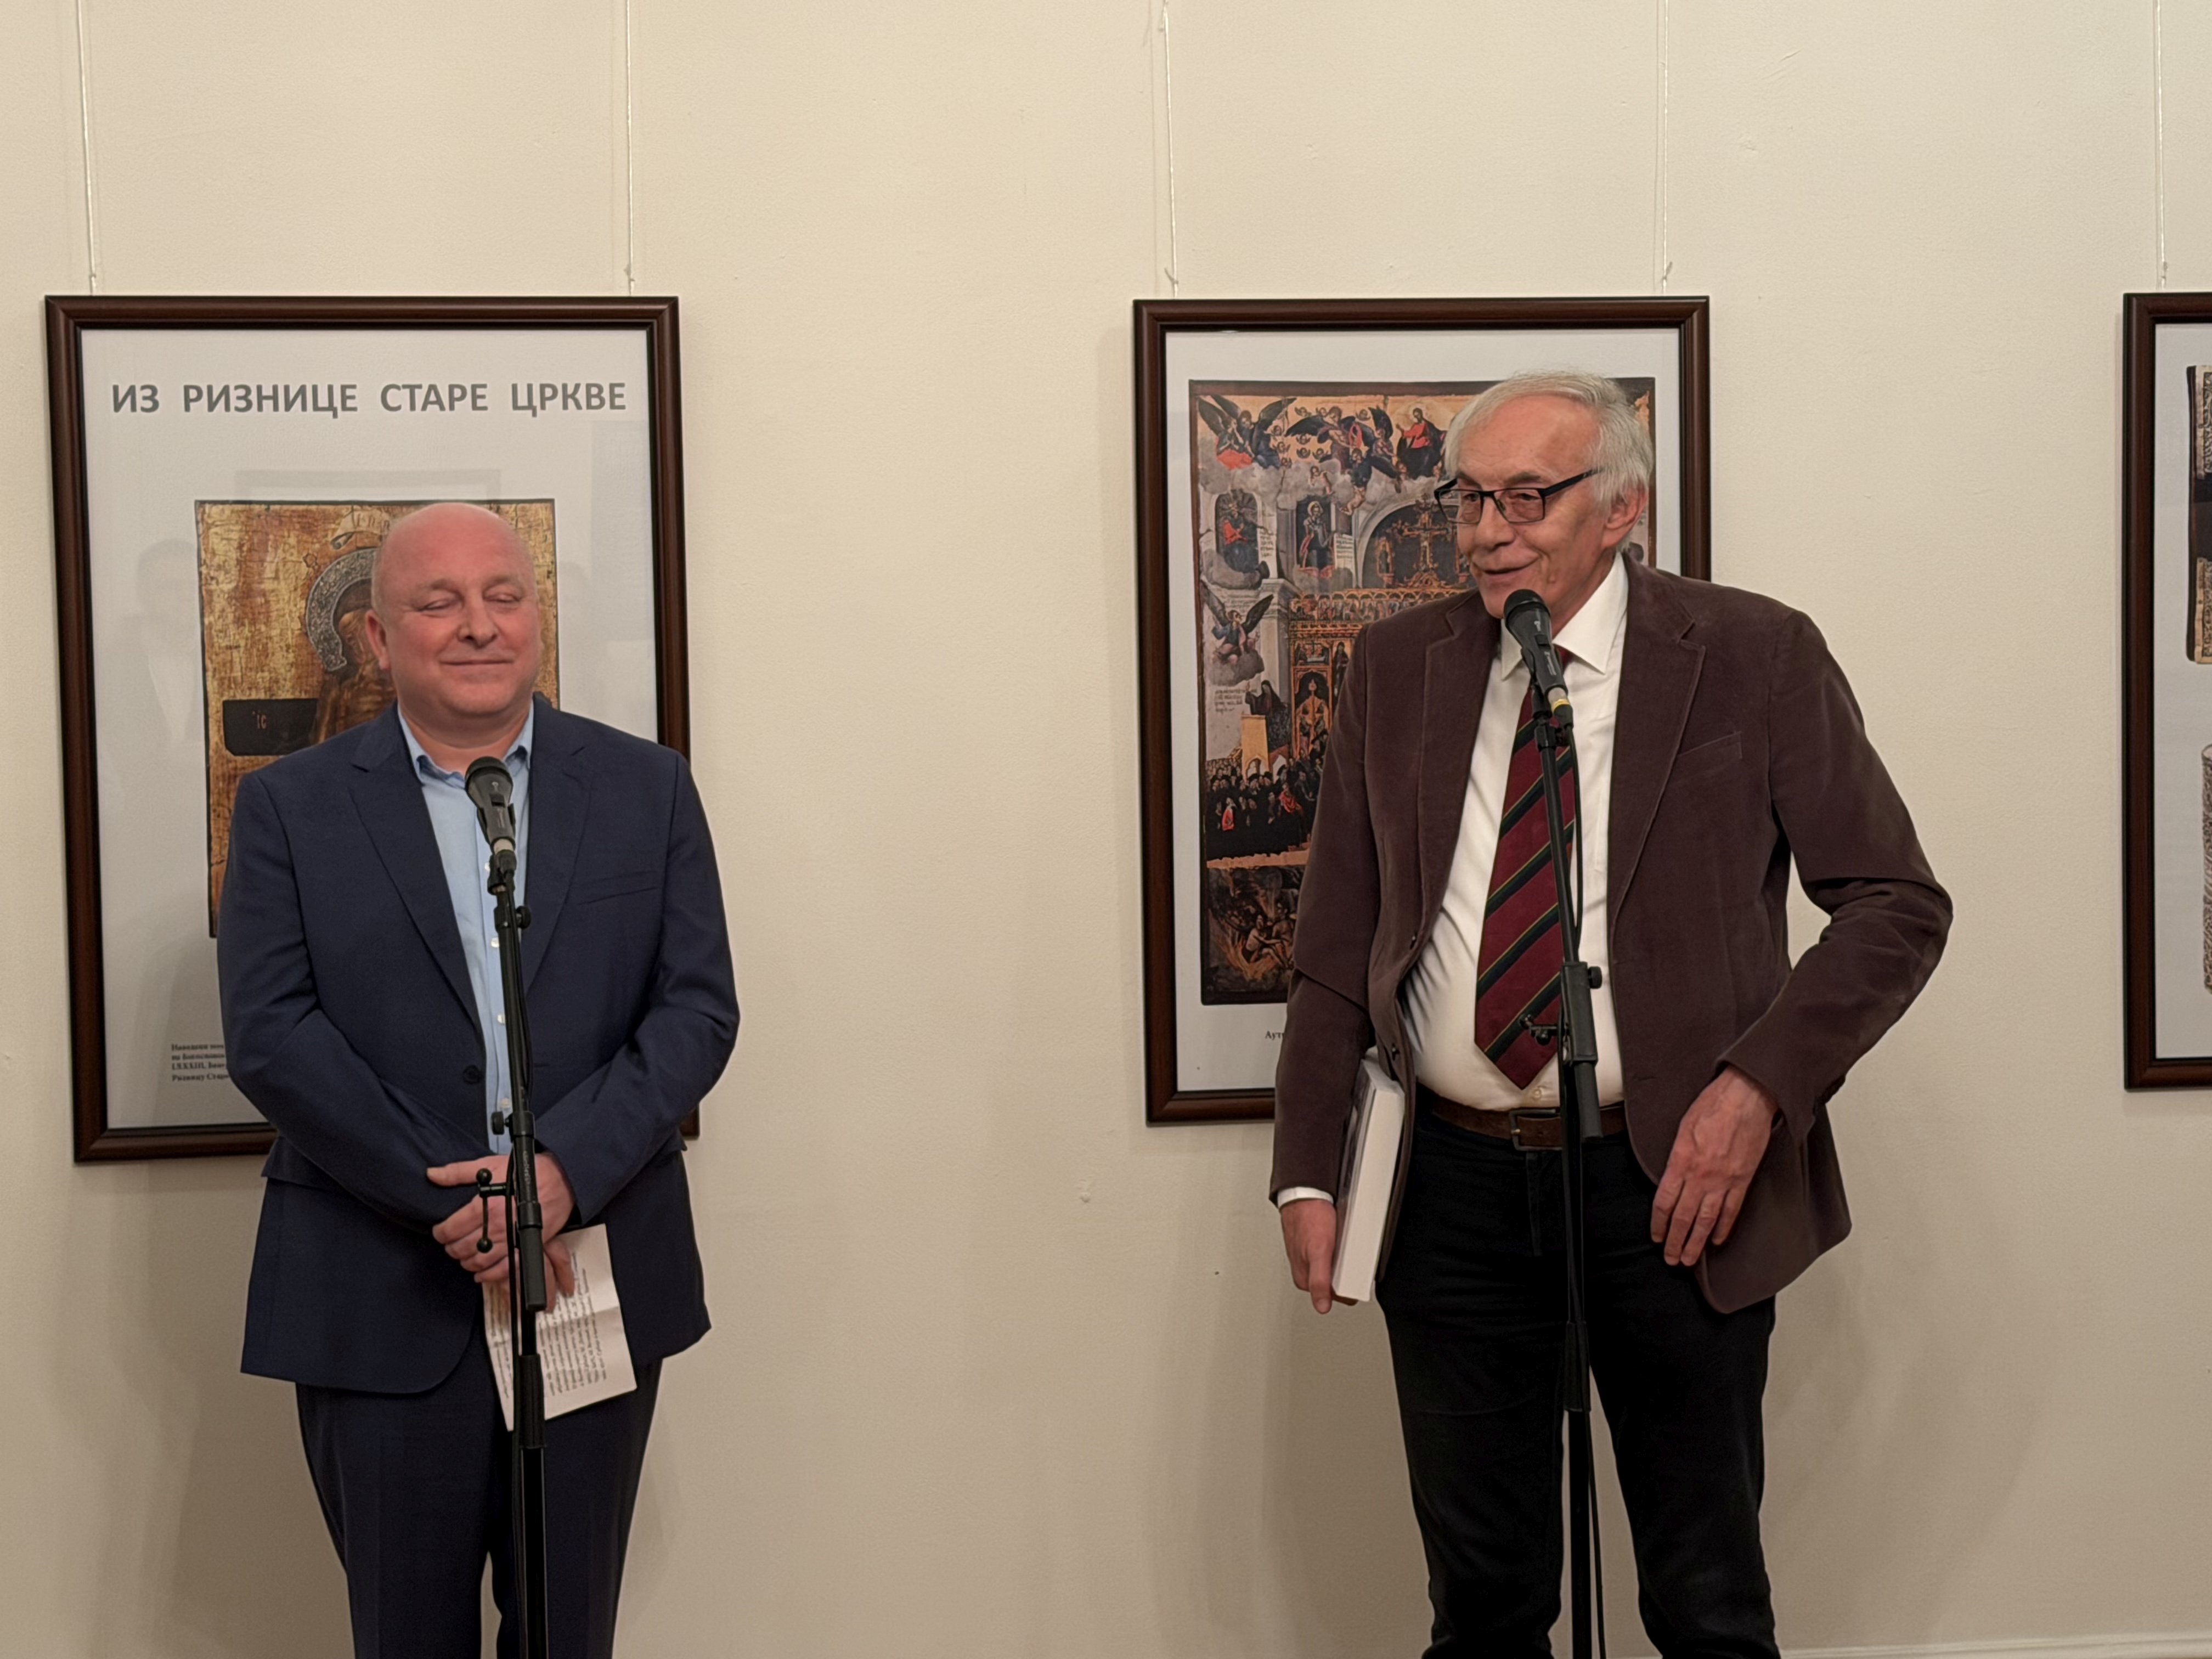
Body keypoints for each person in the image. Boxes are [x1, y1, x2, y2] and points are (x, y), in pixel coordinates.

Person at [1271, 373, 1949, 1656]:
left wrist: (1757, 1091)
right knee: (1483, 1606)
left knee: (1705, 1601)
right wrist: (1309, 1169)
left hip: (1675, 1190)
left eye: (1528, 498)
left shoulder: (1754, 655)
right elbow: (1334, 947)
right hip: (1451, 1198)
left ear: (1621, 508)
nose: (1488, 532)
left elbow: (1896, 904)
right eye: (1471, 499)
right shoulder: (1398, 669)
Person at [218, 502, 738, 1659]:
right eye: (438, 602)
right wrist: (465, 1198)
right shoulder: (291, 808)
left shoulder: (647, 786)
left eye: (504, 596)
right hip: (380, 1289)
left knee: (567, 1636)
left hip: (589, 1276)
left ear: (537, 618)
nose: (478, 626)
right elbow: (270, 1032)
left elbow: (697, 1009)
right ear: (376, 638)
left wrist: (561, 1174)